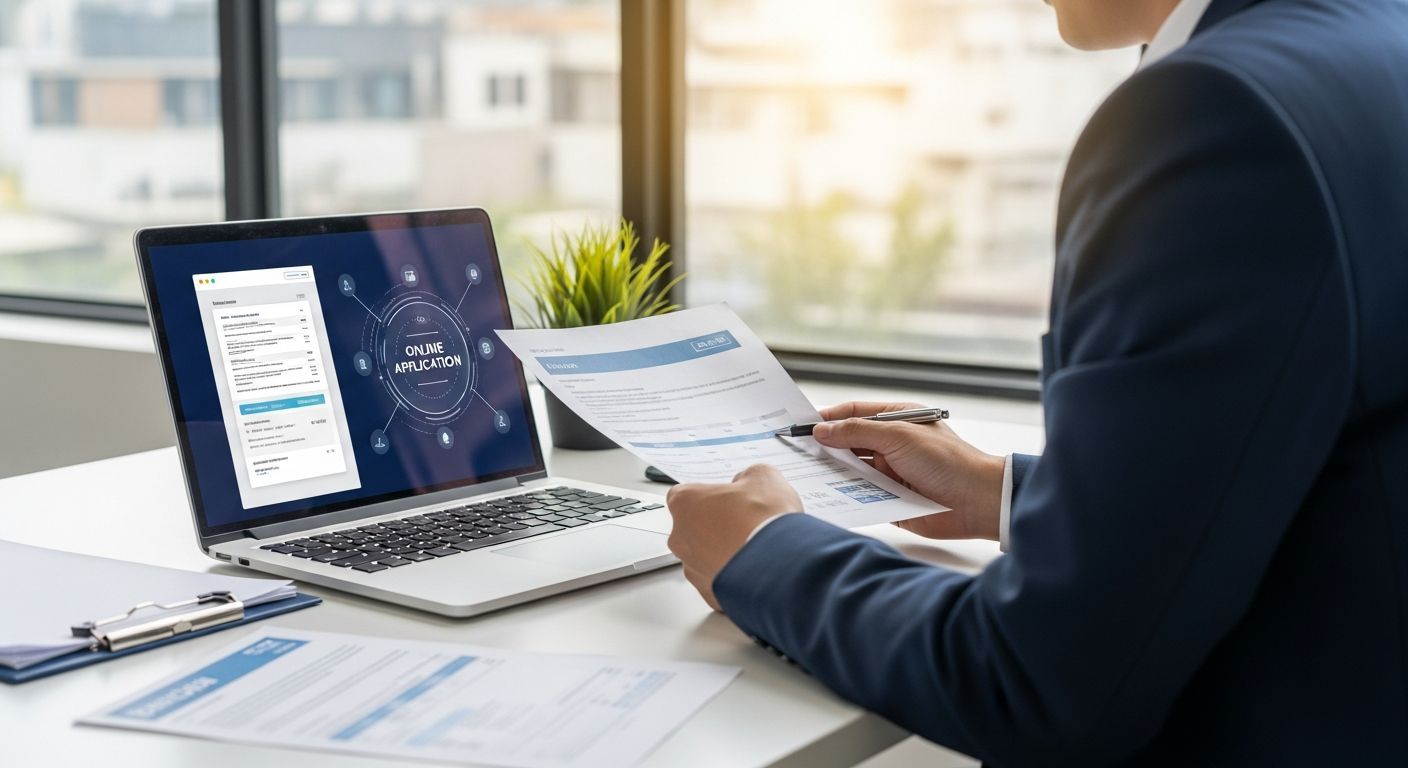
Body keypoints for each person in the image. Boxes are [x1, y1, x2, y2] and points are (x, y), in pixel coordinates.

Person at [663, 0, 1408, 764]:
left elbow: (1036, 682)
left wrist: (762, 552)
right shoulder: (1376, 37)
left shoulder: (1216, 111)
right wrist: (1004, 493)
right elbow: (1321, 476)